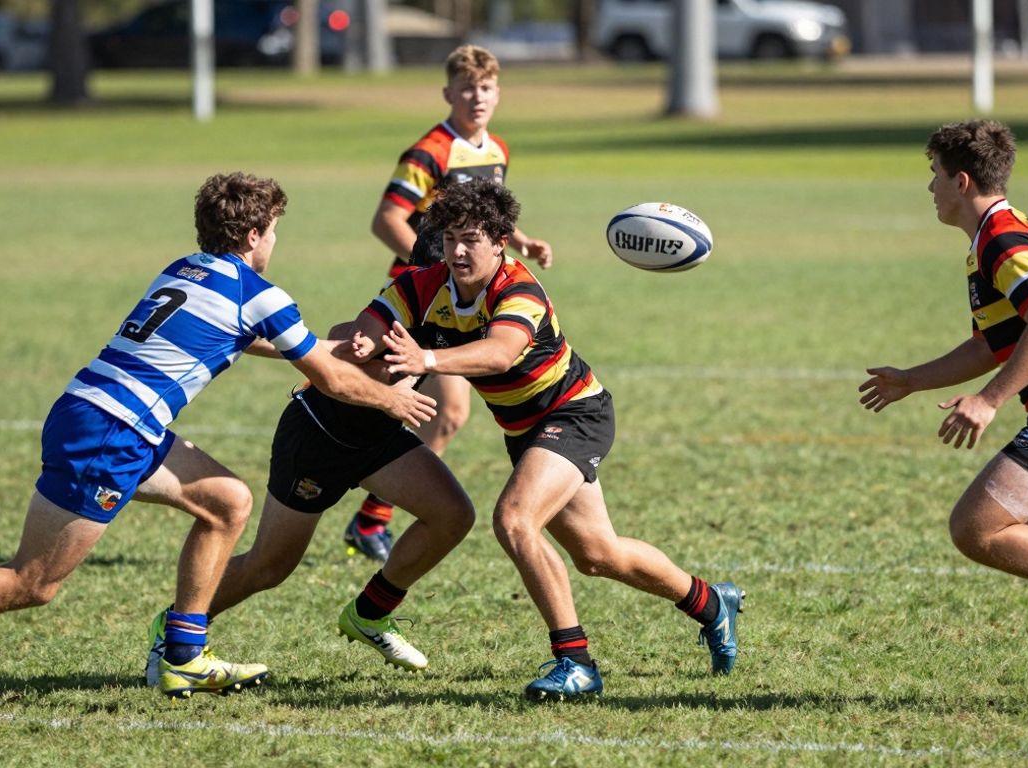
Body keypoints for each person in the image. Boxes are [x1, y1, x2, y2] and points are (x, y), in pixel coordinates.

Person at [0, 172, 438, 717]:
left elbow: (264, 341)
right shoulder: (258, 291)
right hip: (110, 432)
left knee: (227, 501)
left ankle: (183, 655)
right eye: (275, 230)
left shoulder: (185, 269)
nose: (276, 242)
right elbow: (325, 377)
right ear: (255, 233)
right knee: (33, 582)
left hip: (101, 413)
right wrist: (393, 399)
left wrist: (343, 347)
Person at [354, 179, 744, 700]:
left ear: (499, 242)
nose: (458, 251)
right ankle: (713, 605)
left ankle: (575, 662)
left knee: (514, 520)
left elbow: (498, 353)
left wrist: (423, 359)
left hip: (575, 413)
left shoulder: (519, 289)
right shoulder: (424, 284)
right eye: (449, 239)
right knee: (598, 555)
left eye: (471, 239)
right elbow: (371, 324)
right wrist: (362, 341)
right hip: (525, 430)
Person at [860, 120, 1028, 703]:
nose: (930, 188)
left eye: (934, 175)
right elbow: (992, 344)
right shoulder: (991, 238)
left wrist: (988, 401)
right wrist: (912, 380)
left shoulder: (1003, 240)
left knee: (976, 529)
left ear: (961, 180)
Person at [143, 340, 476, 684]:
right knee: (269, 566)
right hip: (321, 435)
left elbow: (498, 351)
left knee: (452, 514)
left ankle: (370, 613)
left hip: (380, 436)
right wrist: (368, 352)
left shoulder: (483, 302)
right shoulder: (414, 291)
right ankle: (177, 627)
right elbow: (346, 333)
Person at [344, 44, 554, 562]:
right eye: (466, 87)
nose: (476, 97)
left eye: (485, 88)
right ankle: (364, 509)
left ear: (498, 92)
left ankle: (371, 517)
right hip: (422, 301)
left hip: (466, 297)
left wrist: (520, 242)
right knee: (421, 406)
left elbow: (485, 214)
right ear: (448, 93)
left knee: (444, 412)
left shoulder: (497, 149)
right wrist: (433, 269)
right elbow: (387, 219)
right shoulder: (430, 152)